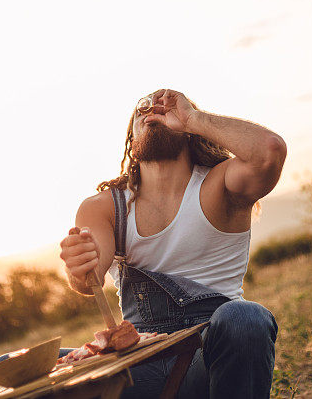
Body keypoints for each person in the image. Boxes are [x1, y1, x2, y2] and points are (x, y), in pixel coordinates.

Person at [59, 88, 286, 398]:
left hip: (208, 360)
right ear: (132, 138)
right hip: (140, 366)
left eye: (165, 108)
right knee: (9, 370)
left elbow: (269, 151)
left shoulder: (218, 185)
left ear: (190, 131)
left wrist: (194, 117)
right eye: (143, 109)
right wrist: (78, 266)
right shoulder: (104, 208)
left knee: (245, 318)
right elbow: (89, 280)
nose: (153, 110)